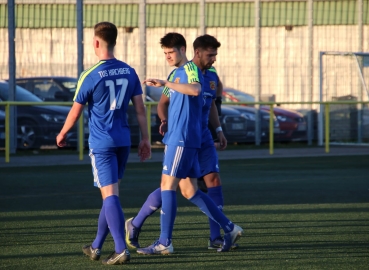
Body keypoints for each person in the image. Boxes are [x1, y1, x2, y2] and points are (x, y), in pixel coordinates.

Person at [131, 32, 243, 255]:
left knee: (167, 185)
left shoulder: (190, 70)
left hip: (182, 138)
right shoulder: (178, 73)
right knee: (189, 190)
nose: (168, 56)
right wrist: (165, 114)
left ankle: (164, 241)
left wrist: (164, 82)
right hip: (185, 137)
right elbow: (168, 100)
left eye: (171, 52)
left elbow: (195, 89)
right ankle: (229, 228)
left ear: (184, 50)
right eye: (165, 53)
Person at [56, 22, 151, 265]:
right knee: (111, 195)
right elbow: (140, 109)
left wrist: (63, 133)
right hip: (122, 141)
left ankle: (121, 248)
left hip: (102, 143)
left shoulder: (90, 75)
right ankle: (97, 246)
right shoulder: (129, 71)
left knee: (110, 197)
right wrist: (145, 138)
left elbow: (75, 112)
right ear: (115, 41)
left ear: (96, 42)